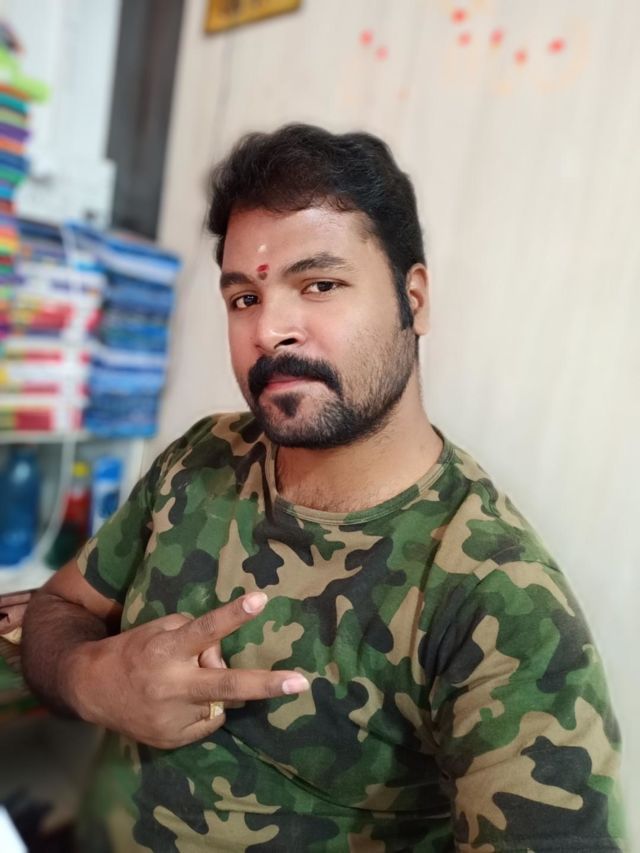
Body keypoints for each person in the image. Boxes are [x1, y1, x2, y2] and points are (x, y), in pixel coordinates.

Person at [22, 124, 626, 852]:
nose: (269, 329)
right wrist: (93, 678)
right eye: (244, 297)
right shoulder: (204, 454)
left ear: (414, 300)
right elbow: (58, 608)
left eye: (319, 285)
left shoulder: (495, 598)